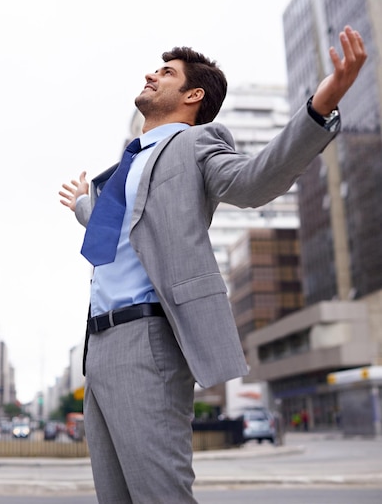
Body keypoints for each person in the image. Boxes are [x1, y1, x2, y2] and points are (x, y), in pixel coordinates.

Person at [59, 26, 367, 504]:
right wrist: (84, 205)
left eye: (165, 72)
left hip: (148, 340)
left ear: (193, 95)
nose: (150, 74)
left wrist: (318, 109)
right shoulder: (126, 167)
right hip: (97, 347)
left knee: (161, 495)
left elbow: (254, 182)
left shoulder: (196, 145)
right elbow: (121, 230)